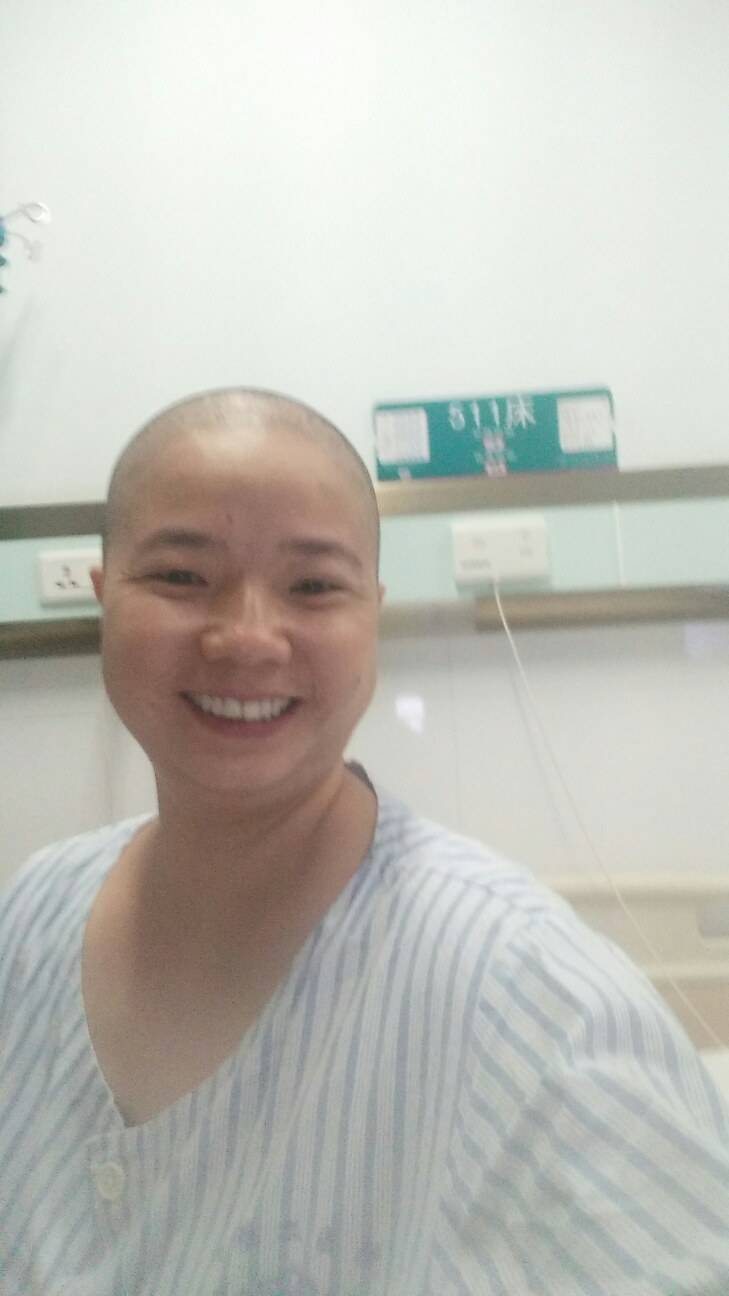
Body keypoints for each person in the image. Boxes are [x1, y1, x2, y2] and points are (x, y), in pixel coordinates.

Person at [1, 388, 728, 1296]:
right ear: (103, 596)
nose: (246, 639)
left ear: (370, 614)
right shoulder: (31, 918)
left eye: (313, 586)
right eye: (181, 576)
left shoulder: (536, 1006)